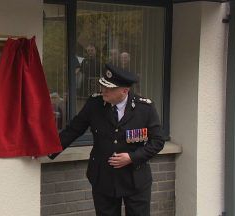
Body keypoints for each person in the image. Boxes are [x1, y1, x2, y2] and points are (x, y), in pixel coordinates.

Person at [49, 63, 165, 216]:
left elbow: (157, 141)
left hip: (135, 178)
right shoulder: (94, 104)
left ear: (124, 90)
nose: (104, 90)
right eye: (103, 85)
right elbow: (73, 130)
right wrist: (48, 149)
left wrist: (132, 157)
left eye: (109, 88)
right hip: (103, 177)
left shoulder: (145, 108)